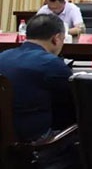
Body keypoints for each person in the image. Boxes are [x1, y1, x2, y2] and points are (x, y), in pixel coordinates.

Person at [0, 14, 75, 142]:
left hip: (4, 136)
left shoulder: (3, 56)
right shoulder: (51, 63)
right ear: (56, 38)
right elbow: (76, 96)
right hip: (35, 140)